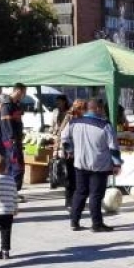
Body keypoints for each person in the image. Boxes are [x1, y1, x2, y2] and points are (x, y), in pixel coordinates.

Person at [62, 98, 122, 232]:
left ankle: (74, 221)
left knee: (80, 192)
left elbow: (64, 137)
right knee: (95, 195)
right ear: (97, 109)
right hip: (99, 166)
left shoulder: (74, 122)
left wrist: (70, 150)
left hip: (80, 163)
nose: (103, 112)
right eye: (102, 109)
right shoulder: (105, 125)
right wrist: (117, 164)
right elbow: (113, 147)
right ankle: (96, 224)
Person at [53, 98, 85, 209]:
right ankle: (70, 202)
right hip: (69, 152)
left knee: (75, 178)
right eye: (83, 109)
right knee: (71, 178)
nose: (84, 111)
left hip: (77, 151)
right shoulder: (70, 117)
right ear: (79, 108)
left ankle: (73, 201)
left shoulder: (78, 117)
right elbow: (62, 134)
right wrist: (62, 150)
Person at [0, 83, 27, 190]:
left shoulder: (16, 104)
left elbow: (18, 121)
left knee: (13, 166)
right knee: (17, 166)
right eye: (24, 92)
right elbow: (7, 125)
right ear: (18, 91)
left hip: (16, 140)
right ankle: (13, 191)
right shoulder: (7, 104)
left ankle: (12, 191)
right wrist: (12, 139)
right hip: (11, 141)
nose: (24, 94)